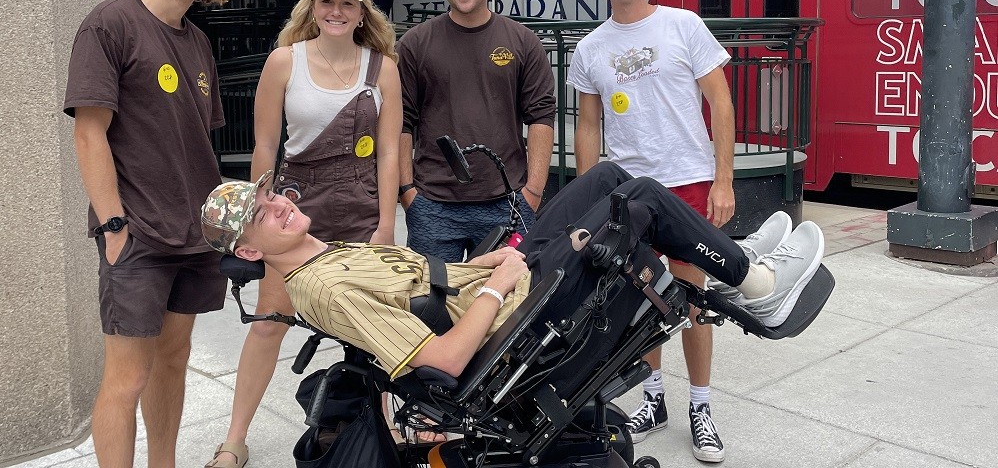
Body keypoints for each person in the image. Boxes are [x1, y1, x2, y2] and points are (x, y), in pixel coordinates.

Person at [200, 164, 824, 388]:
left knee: (606, 178)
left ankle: (731, 257)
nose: (278, 206)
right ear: (251, 253)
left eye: (270, 196)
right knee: (640, 204)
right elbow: (442, 359)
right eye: (261, 217)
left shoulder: (323, 250)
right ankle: (758, 288)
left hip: (497, 283)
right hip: (512, 317)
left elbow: (430, 284)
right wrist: (499, 284)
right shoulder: (325, 286)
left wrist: (488, 264)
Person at [207, 0, 402, 468]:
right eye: (326, 1)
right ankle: (234, 439)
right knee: (271, 322)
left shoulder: (382, 67)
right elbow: (266, 146)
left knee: (374, 332)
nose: (336, 11)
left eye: (347, 3)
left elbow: (387, 153)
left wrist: (385, 225)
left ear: (362, 12)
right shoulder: (284, 61)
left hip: (362, 209)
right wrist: (258, 214)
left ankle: (383, 435)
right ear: (312, 7)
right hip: (294, 207)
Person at [64, 0, 232, 468]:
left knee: (174, 359)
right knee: (127, 376)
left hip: (194, 234)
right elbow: (89, 133)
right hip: (136, 233)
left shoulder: (199, 43)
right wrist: (113, 226)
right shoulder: (109, 24)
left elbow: (193, 145)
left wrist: (227, 227)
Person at [568, 0, 738, 461]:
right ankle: (655, 399)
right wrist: (588, 197)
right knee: (643, 300)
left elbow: (722, 103)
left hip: (686, 180)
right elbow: (589, 127)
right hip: (627, 189)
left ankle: (702, 407)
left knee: (693, 298)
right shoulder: (590, 47)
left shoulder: (683, 25)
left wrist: (724, 179)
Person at [397, 0, 555, 260]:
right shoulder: (414, 44)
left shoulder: (522, 41)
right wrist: (407, 193)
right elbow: (402, 122)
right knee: (433, 307)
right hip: (433, 206)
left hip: (507, 202)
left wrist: (533, 192)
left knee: (509, 306)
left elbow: (540, 117)